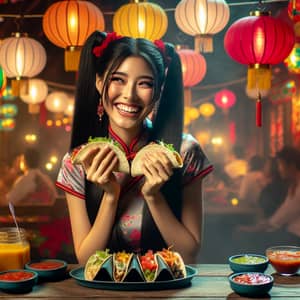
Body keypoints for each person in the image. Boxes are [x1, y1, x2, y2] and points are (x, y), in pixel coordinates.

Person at [56, 31, 213, 265]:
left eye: (145, 83)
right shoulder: (79, 160)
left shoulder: (185, 152)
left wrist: (153, 195)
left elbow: (189, 255)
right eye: (118, 79)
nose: (129, 95)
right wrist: (110, 196)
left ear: (158, 91)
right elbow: (86, 260)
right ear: (99, 83)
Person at [237, 146, 300, 251]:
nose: (279, 168)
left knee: (244, 237)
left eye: (280, 164)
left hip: (295, 238)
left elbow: (280, 218)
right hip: (289, 234)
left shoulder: (297, 188)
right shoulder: (294, 185)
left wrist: (253, 228)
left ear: (292, 166)